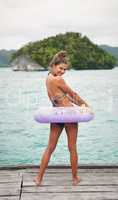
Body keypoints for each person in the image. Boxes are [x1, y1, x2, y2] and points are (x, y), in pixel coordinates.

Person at [34, 51, 90, 186]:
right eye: (61, 68)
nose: (63, 71)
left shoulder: (48, 78)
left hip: (56, 114)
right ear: (54, 65)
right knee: (72, 148)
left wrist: (79, 104)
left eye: (65, 69)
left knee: (50, 147)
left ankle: (38, 179)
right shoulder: (58, 79)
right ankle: (75, 178)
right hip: (69, 114)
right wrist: (86, 106)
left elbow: (61, 97)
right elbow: (73, 94)